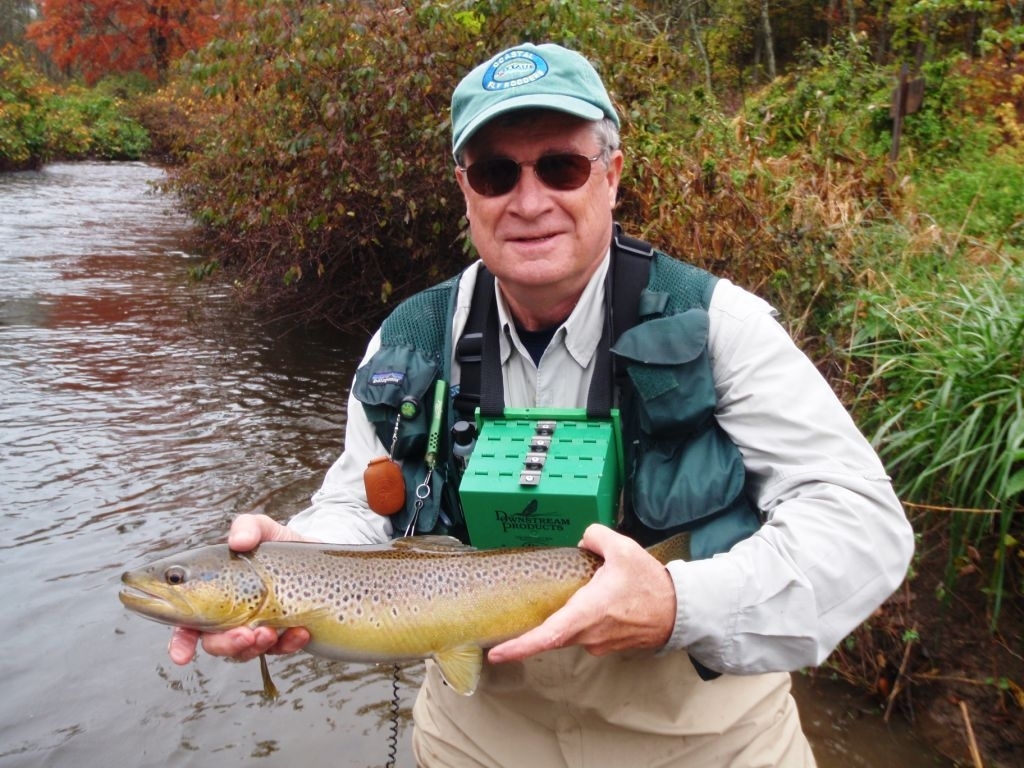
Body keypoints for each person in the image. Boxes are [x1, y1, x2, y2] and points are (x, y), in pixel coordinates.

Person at [168, 43, 914, 766]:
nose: (529, 202)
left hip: (705, 746)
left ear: (612, 175)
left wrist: (676, 602)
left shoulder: (720, 326)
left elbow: (863, 527)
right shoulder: (409, 340)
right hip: (479, 742)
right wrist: (296, 550)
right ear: (465, 188)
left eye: (560, 166)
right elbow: (363, 508)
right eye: (496, 173)